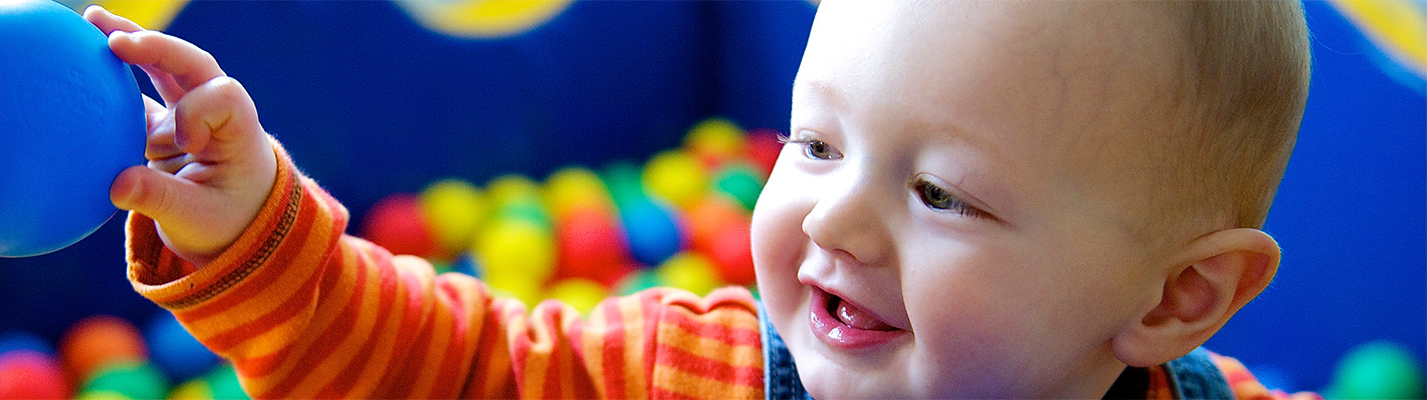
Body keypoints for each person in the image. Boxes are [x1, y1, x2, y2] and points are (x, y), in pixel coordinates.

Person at [88, 0, 1318, 398]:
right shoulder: (691, 372)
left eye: (939, 192)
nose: (832, 221)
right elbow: (452, 365)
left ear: (1177, 296)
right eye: (815, 143)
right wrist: (261, 237)